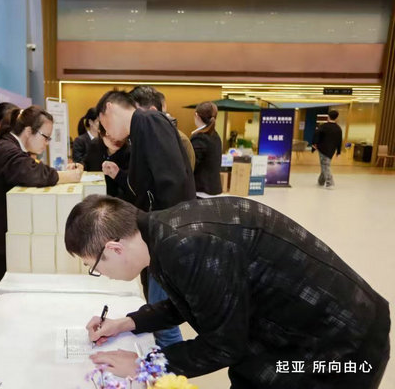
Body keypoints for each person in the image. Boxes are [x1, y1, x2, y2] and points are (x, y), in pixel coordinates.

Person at [65, 195, 390, 389]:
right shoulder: (160, 233)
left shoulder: (186, 245)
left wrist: (143, 365)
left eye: (94, 266)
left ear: (114, 248)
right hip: (294, 336)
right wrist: (127, 323)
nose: (101, 275)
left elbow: (223, 346)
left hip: (340, 346)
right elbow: (194, 299)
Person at [0, 105, 83, 321]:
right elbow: (32, 173)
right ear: (28, 131)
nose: (47, 143)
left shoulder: (10, 147)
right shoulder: (7, 150)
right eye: (45, 137)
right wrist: (67, 177)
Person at [96, 89, 196, 349]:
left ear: (109, 108)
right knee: (159, 311)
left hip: (168, 234)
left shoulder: (148, 121)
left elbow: (173, 180)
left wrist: (160, 230)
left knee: (163, 321)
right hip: (164, 232)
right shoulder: (140, 130)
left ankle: (169, 369)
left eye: (104, 124)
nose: (107, 133)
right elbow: (147, 186)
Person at [128, 85, 196, 171]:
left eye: (135, 114)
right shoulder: (132, 139)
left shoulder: (180, 140)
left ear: (152, 111)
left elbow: (186, 176)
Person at [83, 122, 131, 200]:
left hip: (120, 202)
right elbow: (87, 164)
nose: (115, 139)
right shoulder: (95, 145)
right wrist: (80, 166)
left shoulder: (131, 152)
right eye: (109, 135)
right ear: (100, 133)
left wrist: (118, 174)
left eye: (119, 134)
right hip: (95, 198)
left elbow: (136, 186)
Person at [190, 101, 222, 196]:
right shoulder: (216, 136)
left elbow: (191, 164)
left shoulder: (199, 137)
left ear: (196, 115)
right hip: (214, 188)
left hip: (201, 190)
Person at [312, 110, 343, 189]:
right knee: (325, 164)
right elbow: (339, 140)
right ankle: (321, 181)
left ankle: (330, 183)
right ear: (336, 118)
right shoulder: (338, 128)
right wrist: (338, 151)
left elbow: (316, 135)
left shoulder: (323, 126)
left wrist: (314, 144)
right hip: (331, 149)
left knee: (325, 165)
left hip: (322, 149)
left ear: (328, 117)